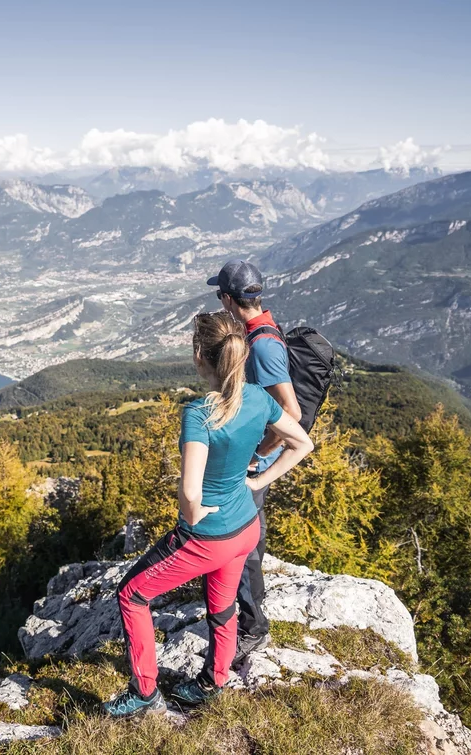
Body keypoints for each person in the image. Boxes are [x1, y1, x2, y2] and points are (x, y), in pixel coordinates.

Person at [103, 311, 314, 718]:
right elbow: (301, 443)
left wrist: (193, 516)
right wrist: (257, 482)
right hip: (245, 528)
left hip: (208, 535)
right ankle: (214, 681)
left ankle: (144, 692)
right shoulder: (259, 398)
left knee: (132, 594)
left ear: (200, 355)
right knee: (221, 607)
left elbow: (190, 489)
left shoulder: (199, 414)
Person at [208, 259, 302, 665]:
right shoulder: (261, 327)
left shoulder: (261, 343)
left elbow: (291, 412)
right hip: (256, 459)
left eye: (219, 296)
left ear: (229, 299)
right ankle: (253, 608)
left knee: (239, 545)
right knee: (251, 538)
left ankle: (252, 626)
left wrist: (256, 456)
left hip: (255, 461)